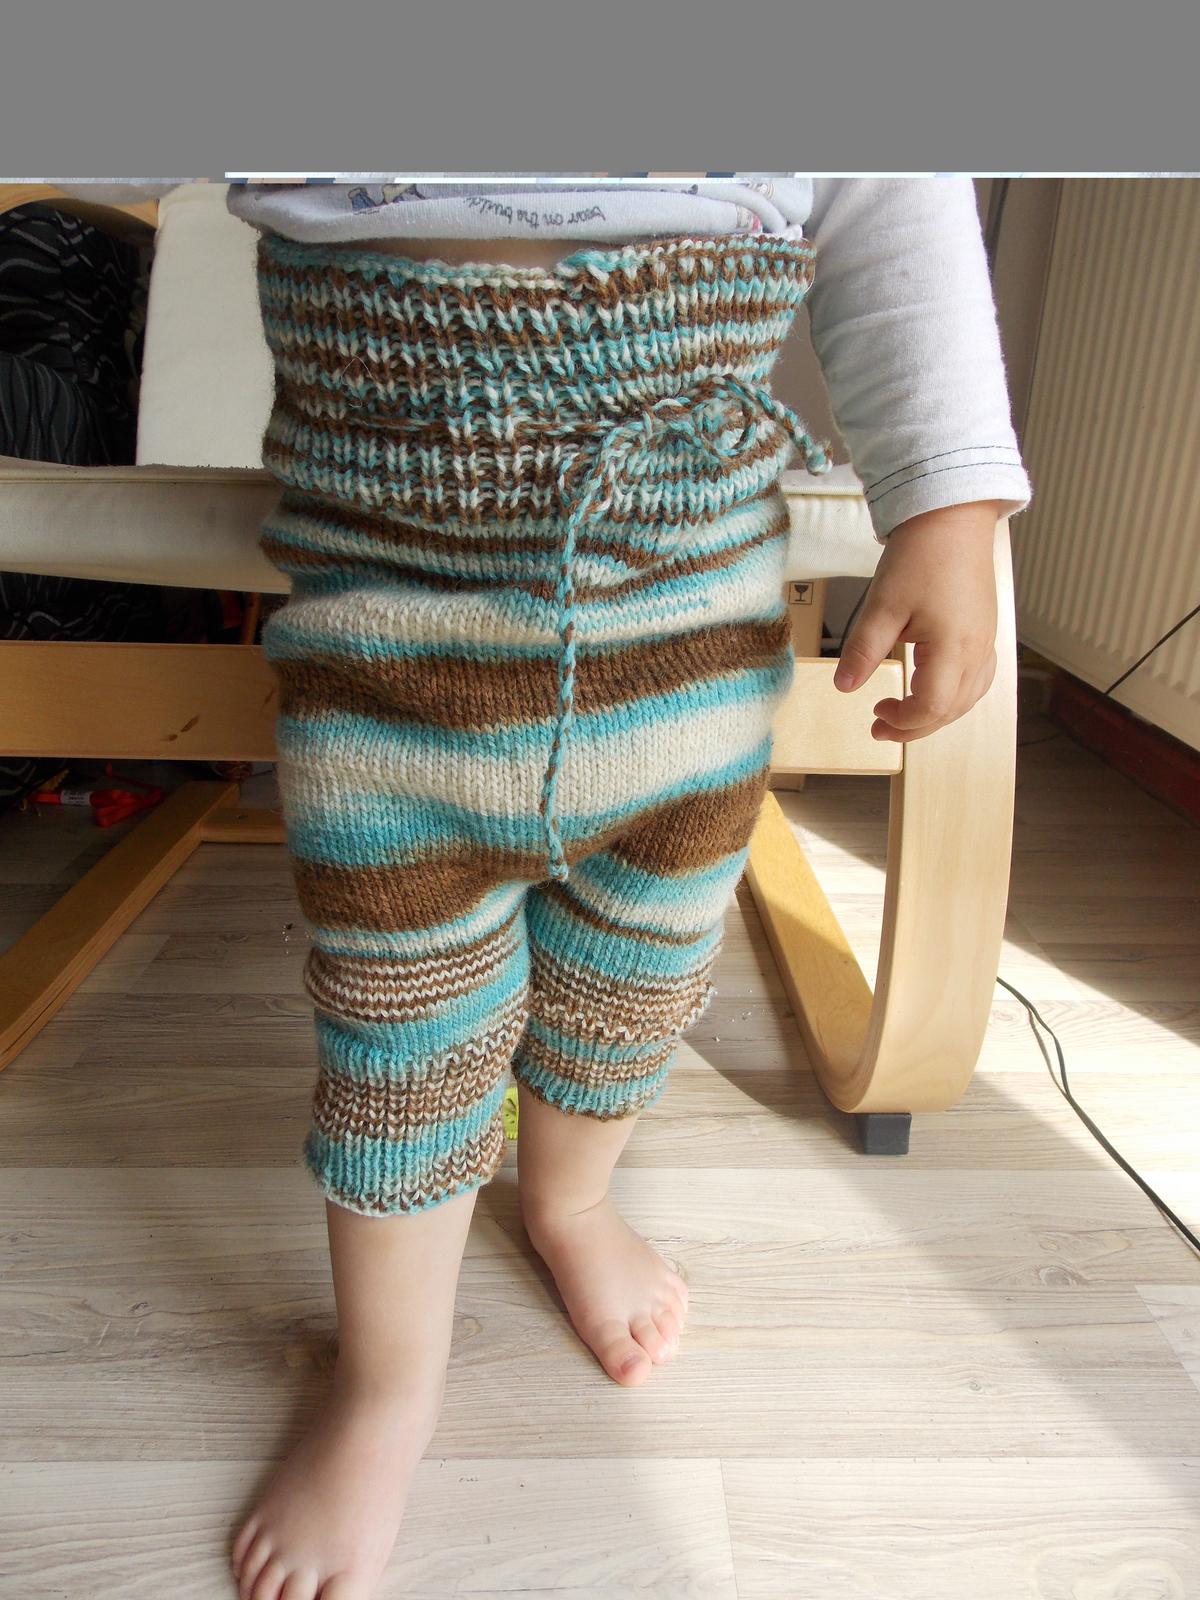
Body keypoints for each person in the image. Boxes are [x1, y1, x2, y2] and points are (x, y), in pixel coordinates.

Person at [90, 174, 1034, 1600]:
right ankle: (388, 1383)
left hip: (691, 654)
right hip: (391, 662)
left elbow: (896, 189)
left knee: (633, 982)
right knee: (399, 1028)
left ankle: (572, 1203)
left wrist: (950, 498)